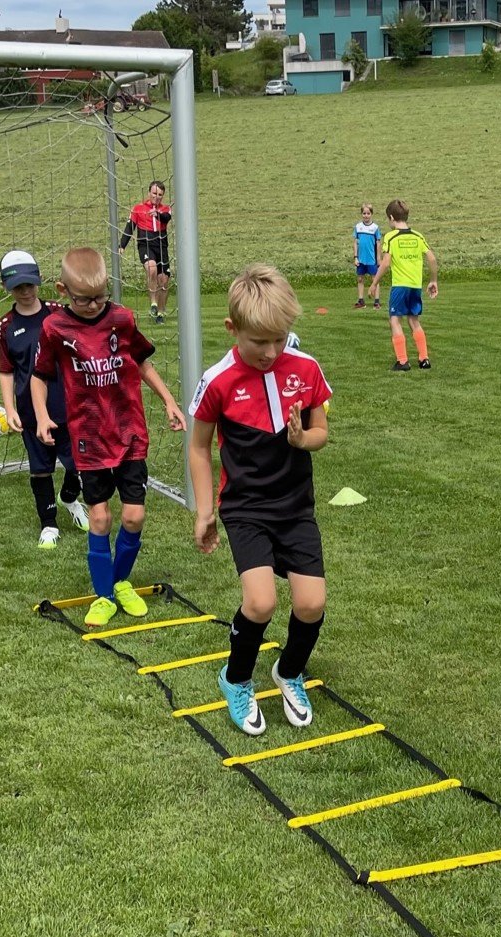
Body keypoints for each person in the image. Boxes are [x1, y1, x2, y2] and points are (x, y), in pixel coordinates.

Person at [189, 265, 331, 738]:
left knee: (311, 604)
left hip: (295, 507)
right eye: (258, 342)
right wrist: (205, 511)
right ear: (232, 329)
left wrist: (302, 439)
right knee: (261, 602)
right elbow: (198, 448)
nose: (270, 352)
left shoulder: (306, 369)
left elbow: (321, 432)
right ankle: (236, 679)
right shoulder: (218, 380)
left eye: (279, 339)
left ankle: (288, 672)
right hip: (246, 509)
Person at [30, 247, 186, 628]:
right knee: (99, 518)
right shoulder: (54, 329)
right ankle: (104, 595)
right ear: (63, 290)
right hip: (89, 438)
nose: (94, 305)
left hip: (129, 432)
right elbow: (39, 377)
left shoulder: (122, 319)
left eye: (100, 296)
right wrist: (42, 416)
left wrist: (169, 400)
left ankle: (119, 582)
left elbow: (142, 363)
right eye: (84, 299)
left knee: (134, 515)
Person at [0, 250, 90, 549]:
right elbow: (6, 369)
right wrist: (9, 408)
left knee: (80, 467)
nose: (25, 292)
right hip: (31, 412)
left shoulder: (59, 313)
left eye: (29, 285)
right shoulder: (6, 325)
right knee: (41, 468)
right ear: (6, 287)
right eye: (18, 287)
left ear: (38, 281)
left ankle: (69, 498)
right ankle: (49, 524)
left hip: (69, 406)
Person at [377, 199, 439, 372]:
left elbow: (386, 263)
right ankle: (424, 359)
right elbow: (432, 258)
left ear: (391, 217)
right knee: (414, 320)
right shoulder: (418, 236)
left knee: (395, 320)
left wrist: (374, 283)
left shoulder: (391, 237)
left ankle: (402, 361)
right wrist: (433, 280)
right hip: (415, 286)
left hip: (400, 286)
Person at [118, 180, 172, 324]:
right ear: (149, 193)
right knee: (151, 269)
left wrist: (157, 214)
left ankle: (160, 312)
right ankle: (153, 304)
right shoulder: (138, 208)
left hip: (161, 246)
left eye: (160, 194)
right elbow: (130, 227)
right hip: (145, 244)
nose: (156, 197)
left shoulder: (165, 209)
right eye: (154, 193)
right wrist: (122, 245)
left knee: (164, 280)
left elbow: (167, 218)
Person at [352, 203, 381, 309]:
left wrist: (379, 258)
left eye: (368, 213)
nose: (366, 215)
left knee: (375, 280)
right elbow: (355, 242)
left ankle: (376, 302)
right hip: (361, 259)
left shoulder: (375, 228)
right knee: (360, 279)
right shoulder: (358, 227)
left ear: (371, 214)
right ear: (361, 214)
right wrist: (355, 257)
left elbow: (378, 243)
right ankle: (361, 301)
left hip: (371, 259)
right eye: (364, 213)